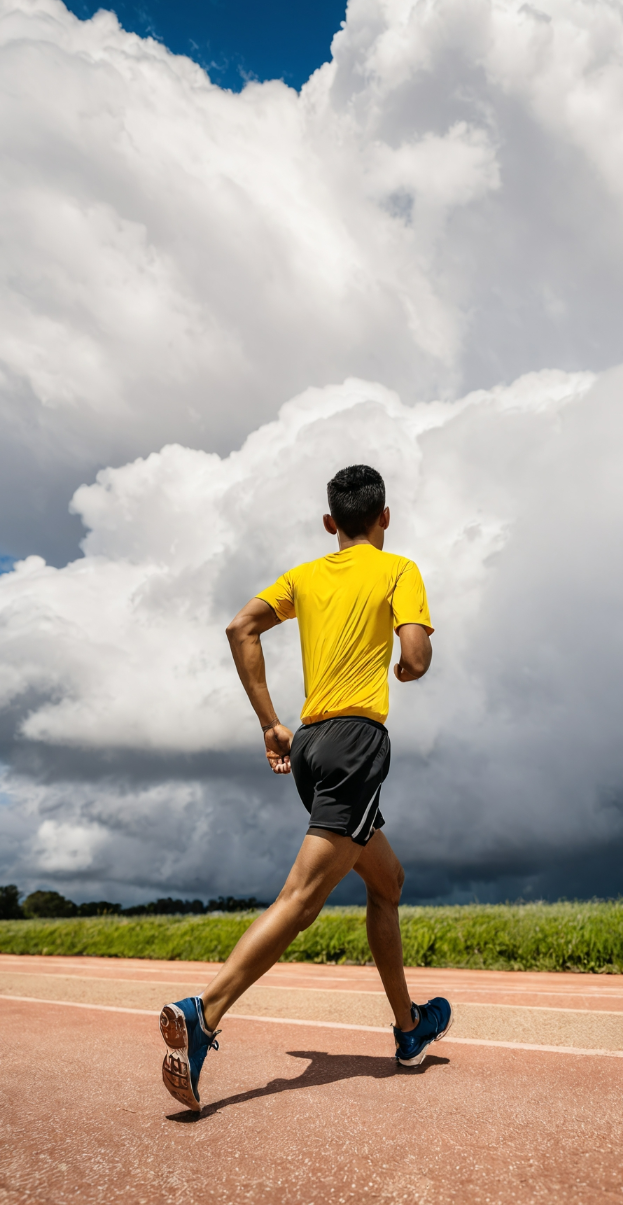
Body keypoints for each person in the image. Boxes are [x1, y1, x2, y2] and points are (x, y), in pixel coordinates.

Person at [159, 464, 452, 1110]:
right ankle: (204, 1013)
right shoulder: (398, 568)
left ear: (330, 523)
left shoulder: (305, 575)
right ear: (385, 516)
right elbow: (415, 657)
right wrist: (406, 663)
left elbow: (241, 627)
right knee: (302, 898)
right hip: (355, 742)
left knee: (387, 883)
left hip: (313, 746)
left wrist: (271, 723)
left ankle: (409, 1029)